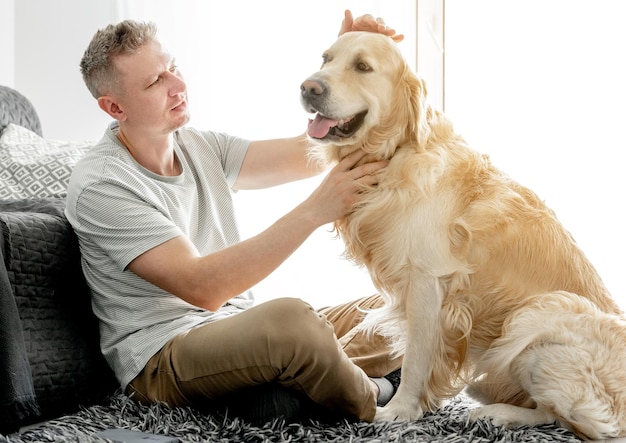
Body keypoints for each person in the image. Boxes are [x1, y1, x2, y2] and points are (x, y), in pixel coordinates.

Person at [66, 10, 404, 424]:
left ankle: (306, 381)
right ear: (114, 106)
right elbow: (203, 288)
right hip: (163, 355)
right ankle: (373, 393)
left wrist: (341, 69)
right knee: (292, 321)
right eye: (156, 82)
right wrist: (316, 211)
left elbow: (309, 152)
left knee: (399, 304)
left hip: (232, 327)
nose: (179, 86)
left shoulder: (201, 146)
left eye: (173, 69)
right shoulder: (101, 184)